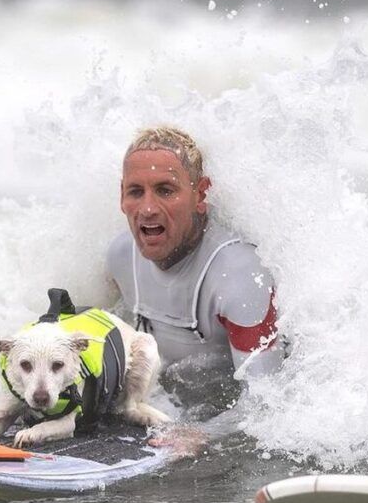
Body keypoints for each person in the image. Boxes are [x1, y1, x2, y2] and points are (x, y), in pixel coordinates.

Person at [106, 127, 283, 388]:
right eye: (135, 191)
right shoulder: (120, 257)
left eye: (165, 190)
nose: (147, 208)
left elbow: (265, 403)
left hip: (222, 404)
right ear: (122, 196)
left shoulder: (239, 276)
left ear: (201, 194)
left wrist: (204, 431)